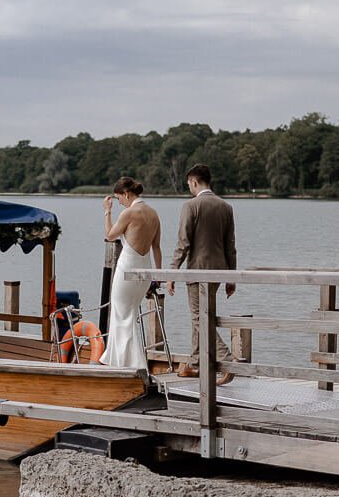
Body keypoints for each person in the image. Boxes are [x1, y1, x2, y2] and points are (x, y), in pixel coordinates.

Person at [168, 163, 237, 385]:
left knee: (200, 318)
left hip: (197, 272)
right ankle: (196, 364)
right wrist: (231, 277)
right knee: (201, 317)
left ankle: (228, 360)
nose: (189, 187)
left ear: (195, 182)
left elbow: (183, 243)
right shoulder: (225, 207)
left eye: (189, 183)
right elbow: (230, 247)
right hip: (218, 272)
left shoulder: (191, 206)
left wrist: (172, 273)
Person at [100, 176, 163, 369]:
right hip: (146, 269)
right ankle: (118, 360)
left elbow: (109, 235)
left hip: (127, 268)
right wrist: (158, 275)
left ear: (126, 194)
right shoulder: (153, 213)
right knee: (129, 314)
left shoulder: (129, 213)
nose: (119, 203)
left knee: (120, 314)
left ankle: (129, 364)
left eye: (119, 199)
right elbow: (157, 248)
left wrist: (107, 212)